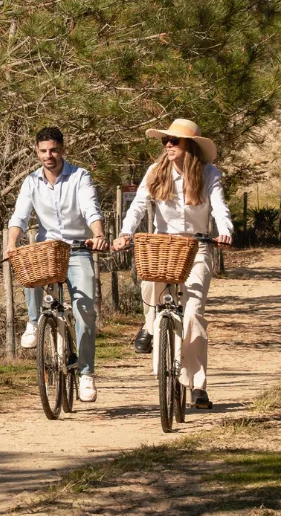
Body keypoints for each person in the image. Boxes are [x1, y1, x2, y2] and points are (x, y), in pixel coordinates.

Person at [112, 119, 232, 410]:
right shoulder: (156, 171)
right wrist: (125, 232)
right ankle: (151, 325)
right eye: (165, 141)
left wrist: (225, 229)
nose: (168, 145)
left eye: (174, 141)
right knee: (149, 284)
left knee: (193, 316)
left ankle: (196, 385)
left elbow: (218, 205)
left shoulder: (208, 173)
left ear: (189, 146)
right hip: (163, 246)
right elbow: (139, 205)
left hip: (198, 246)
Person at [5, 127, 108, 402]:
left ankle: (86, 373)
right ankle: (34, 321)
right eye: (43, 151)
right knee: (28, 260)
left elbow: (90, 209)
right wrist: (11, 244)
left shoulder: (79, 176)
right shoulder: (31, 182)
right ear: (36, 152)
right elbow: (19, 217)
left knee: (85, 310)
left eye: (53, 150)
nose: (48, 156)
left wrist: (97, 234)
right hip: (48, 250)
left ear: (62, 148)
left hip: (77, 250)